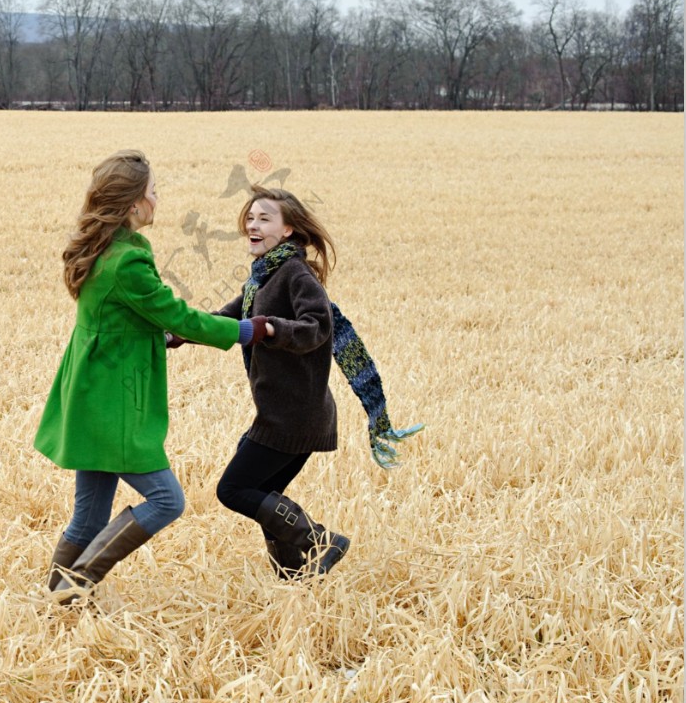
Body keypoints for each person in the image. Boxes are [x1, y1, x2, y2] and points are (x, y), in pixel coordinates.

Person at [33, 151, 264, 606]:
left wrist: (155, 334)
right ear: (134, 203)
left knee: (89, 515)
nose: (158, 200)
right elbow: (177, 314)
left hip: (91, 393)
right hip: (113, 401)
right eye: (153, 192)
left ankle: (56, 603)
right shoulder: (128, 264)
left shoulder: (107, 250)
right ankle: (74, 587)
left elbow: (124, 319)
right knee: (167, 501)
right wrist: (244, 330)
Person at [167, 185, 421, 578]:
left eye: (264, 218)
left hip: (294, 416)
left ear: (287, 230)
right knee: (266, 497)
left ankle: (320, 542)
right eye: (250, 218)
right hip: (285, 413)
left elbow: (317, 327)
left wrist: (268, 328)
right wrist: (180, 333)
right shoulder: (261, 279)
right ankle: (295, 577)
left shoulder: (296, 275)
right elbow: (225, 321)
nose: (253, 224)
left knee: (232, 490)